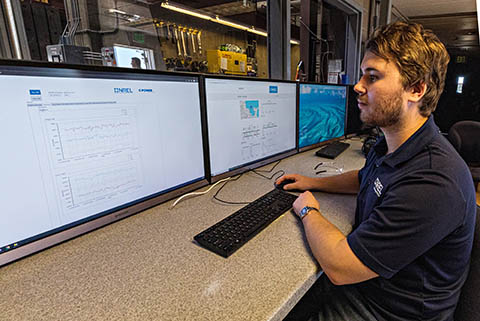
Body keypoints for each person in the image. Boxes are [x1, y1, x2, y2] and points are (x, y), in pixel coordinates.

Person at [278, 21, 477, 321]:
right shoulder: (392, 144)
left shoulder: (434, 181)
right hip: (371, 287)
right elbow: (366, 179)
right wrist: (313, 182)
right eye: (362, 75)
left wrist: (309, 211)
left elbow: (339, 267)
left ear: (416, 89)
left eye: (372, 77)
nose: (358, 86)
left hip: (386, 310)